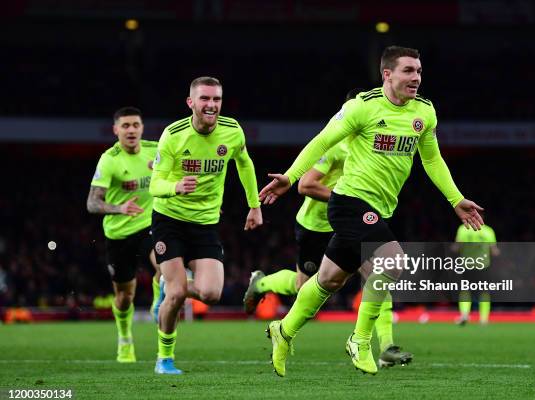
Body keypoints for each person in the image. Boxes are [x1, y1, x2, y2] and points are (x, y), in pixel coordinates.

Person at [259, 46, 484, 377]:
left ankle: (284, 330)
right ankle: (360, 340)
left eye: (419, 71)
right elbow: (321, 141)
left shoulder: (424, 112)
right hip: (349, 201)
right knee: (393, 260)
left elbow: (432, 160)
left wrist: (456, 199)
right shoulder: (361, 106)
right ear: (387, 74)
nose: (416, 78)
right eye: (408, 71)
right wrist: (291, 177)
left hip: (381, 208)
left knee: (328, 280)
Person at [243, 88, 412, 368]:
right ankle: (262, 284)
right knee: (307, 287)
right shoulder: (337, 146)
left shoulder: (372, 143)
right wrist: (346, 198)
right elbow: (305, 185)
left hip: (351, 221)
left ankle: (385, 345)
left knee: (378, 268)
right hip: (316, 225)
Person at [150, 76, 262, 375]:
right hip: (169, 219)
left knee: (211, 294)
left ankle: (167, 284)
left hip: (205, 223)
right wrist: (175, 187)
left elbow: (245, 163)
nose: (211, 105)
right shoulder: (173, 135)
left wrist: (254, 205)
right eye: (204, 99)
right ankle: (164, 359)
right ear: (191, 103)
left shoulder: (232, 130)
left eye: (216, 99)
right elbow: (155, 184)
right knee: (175, 294)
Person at [87, 106, 162, 363]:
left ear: (142, 128)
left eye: (135, 125)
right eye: (126, 126)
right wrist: (119, 208)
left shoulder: (156, 150)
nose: (131, 130)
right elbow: (92, 203)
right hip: (119, 233)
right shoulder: (109, 159)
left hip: (150, 223)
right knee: (124, 296)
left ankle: (158, 299)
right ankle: (125, 338)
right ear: (116, 130)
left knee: (166, 265)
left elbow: (177, 175)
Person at [452, 223, 499, 325]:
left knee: (465, 291)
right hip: (483, 265)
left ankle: (464, 315)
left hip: (467, 265)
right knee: (484, 292)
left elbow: (456, 248)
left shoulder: (463, 229)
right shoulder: (488, 230)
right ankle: (483, 319)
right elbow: (494, 251)